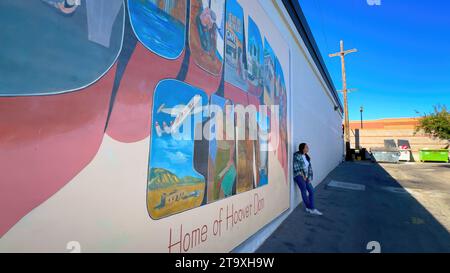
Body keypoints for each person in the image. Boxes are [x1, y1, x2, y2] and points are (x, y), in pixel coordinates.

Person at [293, 143, 323, 215]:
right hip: (298, 175)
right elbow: (296, 167)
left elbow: (309, 168)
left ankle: (309, 208)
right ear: (302, 148)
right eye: (306, 147)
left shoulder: (306, 157)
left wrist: (308, 177)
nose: (308, 148)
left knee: (311, 191)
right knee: (303, 189)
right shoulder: (297, 155)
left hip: (306, 176)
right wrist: (302, 175)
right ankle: (311, 208)